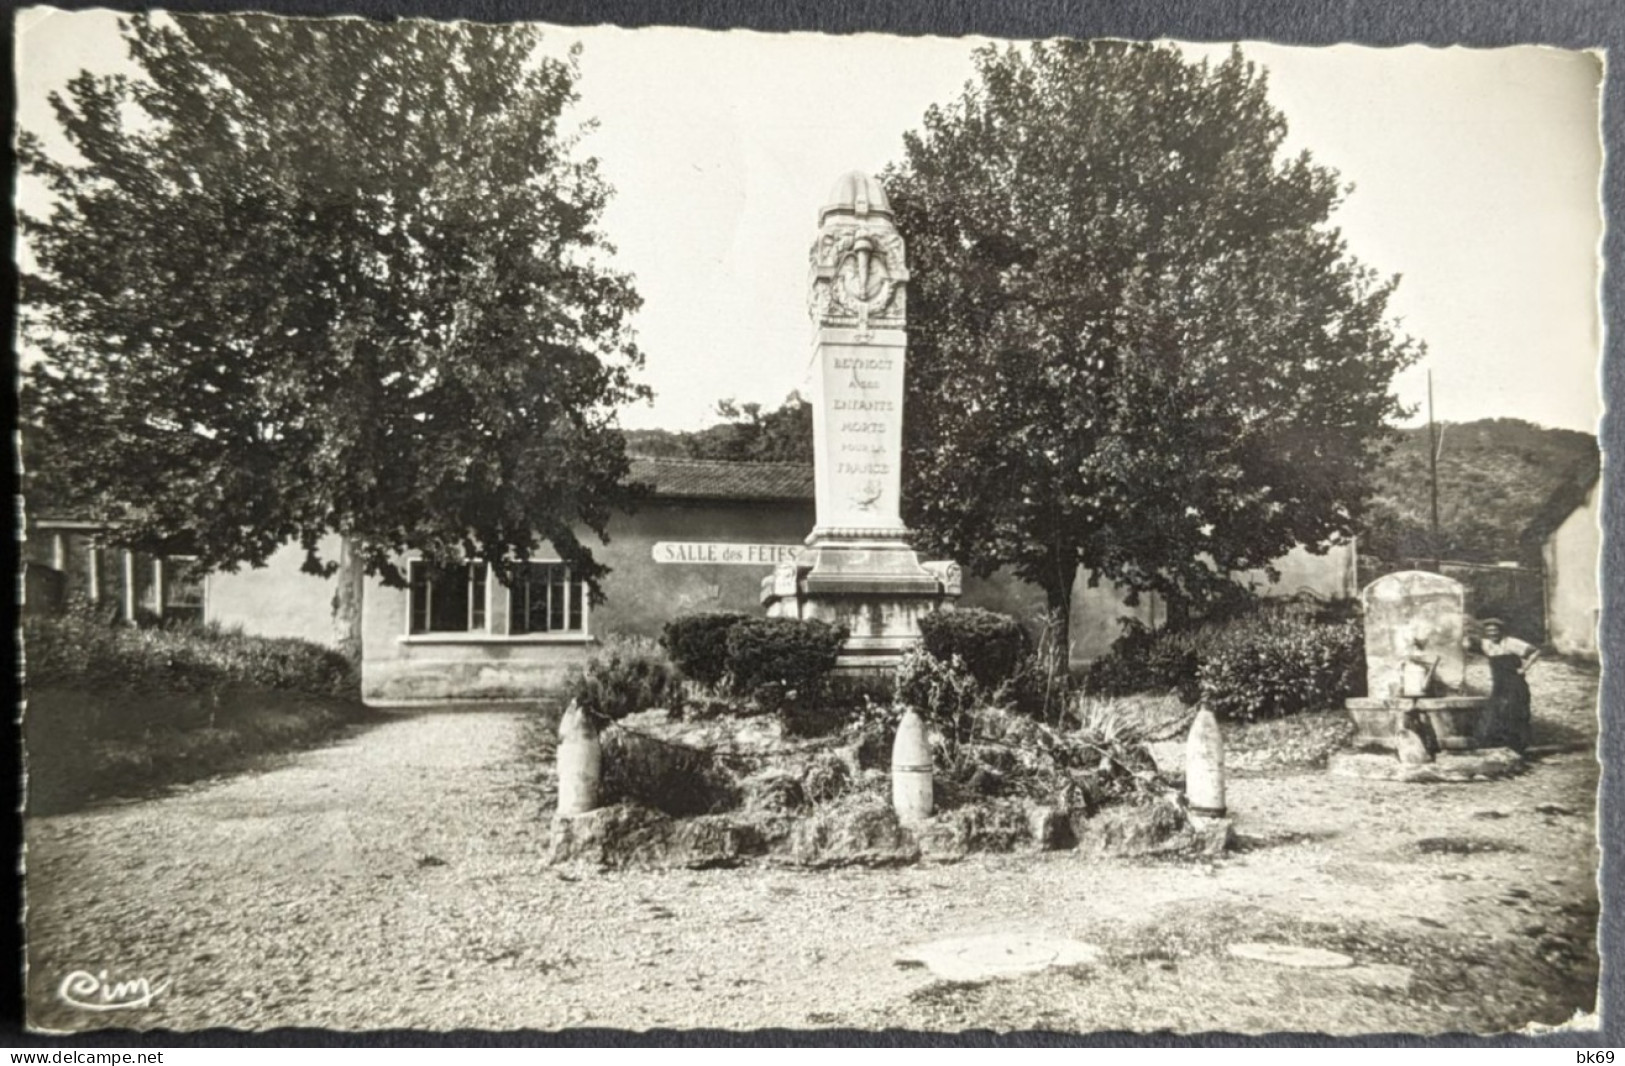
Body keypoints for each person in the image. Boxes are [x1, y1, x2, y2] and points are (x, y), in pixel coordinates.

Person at [1471, 617, 1539, 752]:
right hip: (1499, 684)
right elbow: (1468, 642)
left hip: (1515, 684)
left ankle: (1519, 747)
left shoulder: (1511, 643)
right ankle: (1499, 745)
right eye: (1489, 631)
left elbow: (1535, 651)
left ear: (1501, 631)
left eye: (1495, 631)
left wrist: (1524, 669)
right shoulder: (1486, 645)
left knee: (1515, 712)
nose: (1493, 634)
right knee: (1496, 712)